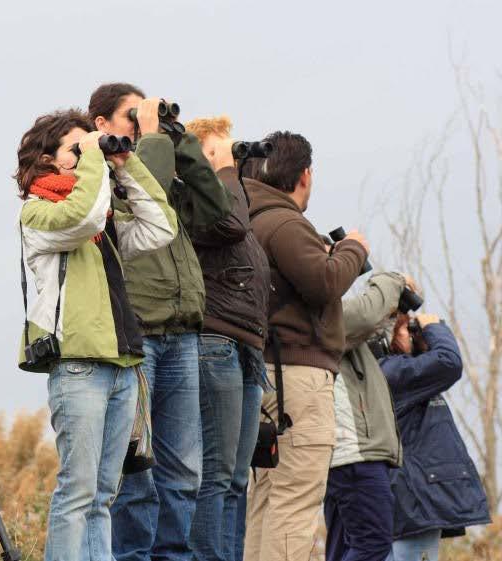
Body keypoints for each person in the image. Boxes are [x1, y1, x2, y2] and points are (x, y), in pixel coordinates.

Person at [15, 109, 177, 561]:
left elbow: (162, 227)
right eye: (76, 148)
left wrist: (126, 164)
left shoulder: (102, 217)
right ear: (49, 160)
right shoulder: (38, 213)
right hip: (79, 366)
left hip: (122, 365)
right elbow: (82, 217)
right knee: (78, 491)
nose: (91, 153)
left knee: (104, 494)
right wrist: (93, 156)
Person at [89, 83, 232, 561]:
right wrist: (150, 137)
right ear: (101, 125)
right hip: (139, 332)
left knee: (185, 473)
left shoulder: (161, 169)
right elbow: (139, 184)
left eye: (144, 115)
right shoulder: (98, 177)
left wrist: (178, 135)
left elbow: (216, 207)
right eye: (131, 115)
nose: (140, 122)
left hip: (183, 332)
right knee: (136, 470)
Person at [242, 130, 368, 561]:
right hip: (299, 378)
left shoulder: (248, 219)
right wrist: (351, 250)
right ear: (305, 175)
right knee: (295, 504)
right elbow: (325, 282)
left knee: (265, 502)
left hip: (263, 377)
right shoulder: (286, 222)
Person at [184, 115, 271, 561]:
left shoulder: (232, 198)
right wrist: (221, 168)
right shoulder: (192, 197)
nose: (231, 160)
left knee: (238, 477)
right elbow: (231, 227)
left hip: (247, 347)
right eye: (221, 150)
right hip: (215, 341)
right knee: (215, 475)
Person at [381, 311, 491, 561]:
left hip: (412, 503)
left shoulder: (398, 371)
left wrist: (422, 340)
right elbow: (449, 361)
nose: (413, 334)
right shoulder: (390, 373)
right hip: (412, 506)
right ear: (386, 338)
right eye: (405, 330)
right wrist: (432, 328)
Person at [323, 272, 407, 561]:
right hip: (355, 451)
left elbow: (368, 329)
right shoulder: (316, 310)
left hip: (344, 452)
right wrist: (391, 279)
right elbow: (366, 315)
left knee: (344, 546)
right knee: (373, 543)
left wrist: (395, 317)